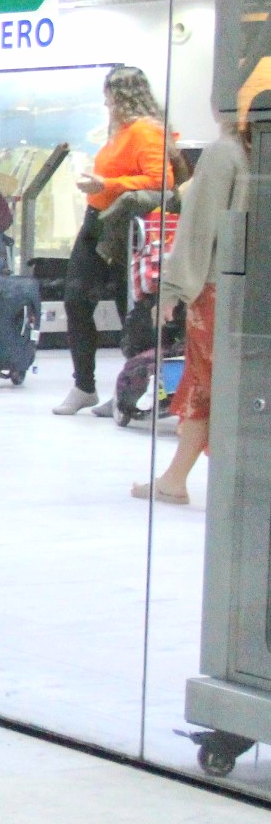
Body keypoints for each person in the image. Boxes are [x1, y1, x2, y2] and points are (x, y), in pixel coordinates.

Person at [134, 61, 271, 503]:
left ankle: (180, 481)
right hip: (256, 292)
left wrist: (173, 290)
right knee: (215, 384)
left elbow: (199, 228)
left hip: (218, 290)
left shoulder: (225, 152)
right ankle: (174, 478)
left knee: (206, 383)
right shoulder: (259, 152)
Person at [55, 66, 173, 415]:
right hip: (97, 221)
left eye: (110, 96)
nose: (106, 103)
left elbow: (160, 181)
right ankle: (84, 385)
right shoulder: (120, 131)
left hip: (122, 229)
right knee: (76, 299)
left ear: (122, 96)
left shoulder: (146, 133)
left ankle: (127, 391)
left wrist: (107, 184)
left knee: (129, 310)